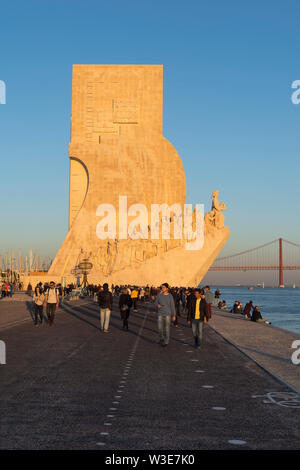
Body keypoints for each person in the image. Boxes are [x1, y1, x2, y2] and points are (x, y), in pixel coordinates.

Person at [154, 283, 176, 347]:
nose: (162, 288)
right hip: (160, 313)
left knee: (167, 329)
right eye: (162, 287)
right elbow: (155, 303)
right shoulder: (159, 295)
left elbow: (172, 306)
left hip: (168, 314)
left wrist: (174, 315)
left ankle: (166, 341)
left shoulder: (170, 296)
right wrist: (157, 305)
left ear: (167, 288)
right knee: (160, 328)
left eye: (163, 287)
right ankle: (162, 338)